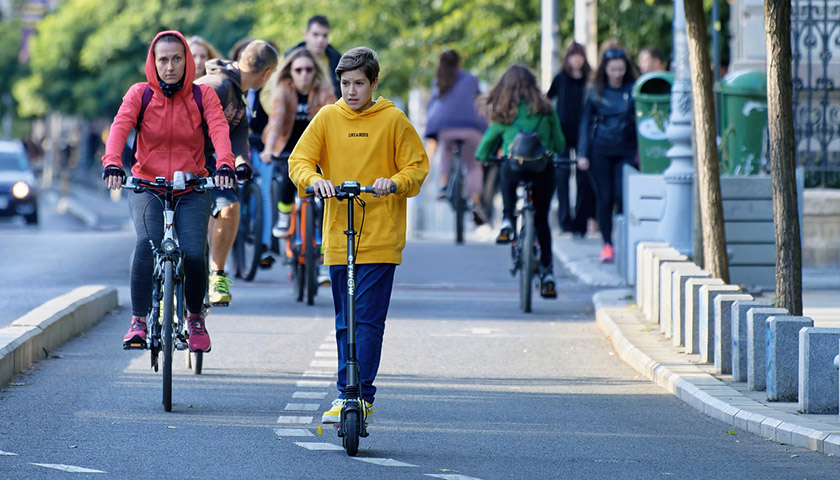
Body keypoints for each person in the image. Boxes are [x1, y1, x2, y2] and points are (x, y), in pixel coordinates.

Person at [288, 47, 428, 423]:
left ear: (373, 83)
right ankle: (346, 393)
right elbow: (298, 161)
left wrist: (394, 182)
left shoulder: (393, 120)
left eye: (359, 84)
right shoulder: (328, 117)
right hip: (338, 234)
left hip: (381, 235)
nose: (351, 91)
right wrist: (315, 180)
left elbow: (417, 166)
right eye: (345, 83)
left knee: (366, 319)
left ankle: (358, 395)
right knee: (344, 318)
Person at [101, 30, 237, 353]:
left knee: (192, 251)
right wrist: (112, 164)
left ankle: (194, 319)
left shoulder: (203, 96)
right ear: (154, 62)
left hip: (191, 187)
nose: (171, 66)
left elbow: (219, 130)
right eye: (163, 60)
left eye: (177, 59)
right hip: (147, 186)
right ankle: (138, 320)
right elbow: (119, 128)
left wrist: (225, 166)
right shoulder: (140, 94)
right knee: (146, 245)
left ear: (187, 61)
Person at [196, 40, 279, 305]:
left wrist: (242, 162)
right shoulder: (216, 85)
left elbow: (238, 138)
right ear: (267, 74)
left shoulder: (238, 99)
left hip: (216, 164)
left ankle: (217, 273)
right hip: (190, 161)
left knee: (229, 207)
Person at [476, 65, 565, 298]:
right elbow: (560, 144)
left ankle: (506, 220)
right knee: (542, 221)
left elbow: (484, 149)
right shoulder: (546, 109)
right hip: (543, 170)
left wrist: (487, 158)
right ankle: (548, 274)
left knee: (506, 165)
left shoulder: (505, 113)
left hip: (515, 171)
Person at [261, 47, 336, 238]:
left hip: (316, 149)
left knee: (326, 184)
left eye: (309, 70)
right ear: (290, 71)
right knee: (289, 174)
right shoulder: (284, 90)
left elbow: (334, 120)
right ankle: (285, 214)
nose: (304, 74)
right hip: (286, 147)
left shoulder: (324, 90)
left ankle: (321, 232)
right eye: (299, 70)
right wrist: (269, 149)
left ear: (315, 71)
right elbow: (276, 121)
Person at [577, 47, 639, 263]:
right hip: (600, 150)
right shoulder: (595, 91)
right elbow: (584, 123)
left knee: (623, 195)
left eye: (621, 69)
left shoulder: (634, 89)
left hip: (625, 149)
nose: (617, 74)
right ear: (605, 69)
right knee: (605, 197)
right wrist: (582, 153)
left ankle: (624, 240)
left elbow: (639, 122)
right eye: (613, 69)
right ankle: (607, 245)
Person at [424, 49, 489, 225]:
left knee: (445, 150)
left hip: (447, 129)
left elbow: (433, 106)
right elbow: (478, 101)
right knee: (473, 165)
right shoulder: (472, 79)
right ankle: (475, 201)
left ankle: (443, 186)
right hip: (471, 128)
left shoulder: (438, 80)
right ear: (459, 63)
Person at [546, 42, 596, 237]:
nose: (576, 59)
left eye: (579, 55)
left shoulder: (589, 80)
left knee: (584, 175)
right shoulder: (561, 78)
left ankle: (581, 221)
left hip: (584, 132)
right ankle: (564, 221)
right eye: (572, 56)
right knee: (562, 174)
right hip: (562, 132)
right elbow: (548, 98)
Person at [287, 15, 342, 99]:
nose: (320, 40)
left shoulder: (337, 60)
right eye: (315, 34)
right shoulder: (289, 58)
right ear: (305, 35)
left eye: (324, 36)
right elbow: (269, 91)